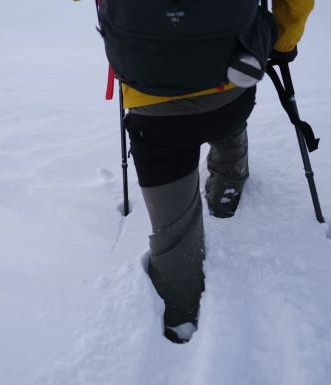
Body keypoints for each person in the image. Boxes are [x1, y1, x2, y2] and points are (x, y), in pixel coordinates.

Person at [121, 0, 315, 344]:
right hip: (230, 87)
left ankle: (180, 310)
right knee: (224, 107)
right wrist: (281, 42)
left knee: (173, 224)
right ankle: (228, 180)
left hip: (152, 101)